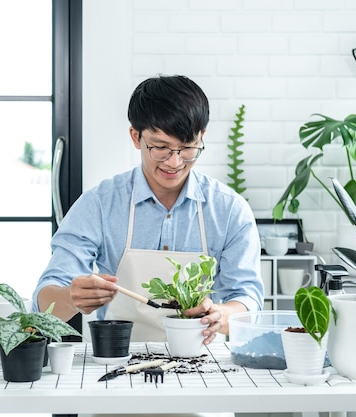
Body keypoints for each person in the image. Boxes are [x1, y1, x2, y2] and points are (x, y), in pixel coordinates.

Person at [33, 74, 264, 347]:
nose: (175, 162)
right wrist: (71, 297)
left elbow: (249, 301)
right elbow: (44, 301)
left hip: (202, 364)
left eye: (187, 148)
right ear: (136, 136)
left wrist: (221, 315)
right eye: (161, 147)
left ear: (202, 137)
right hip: (118, 360)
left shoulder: (229, 209)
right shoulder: (100, 204)